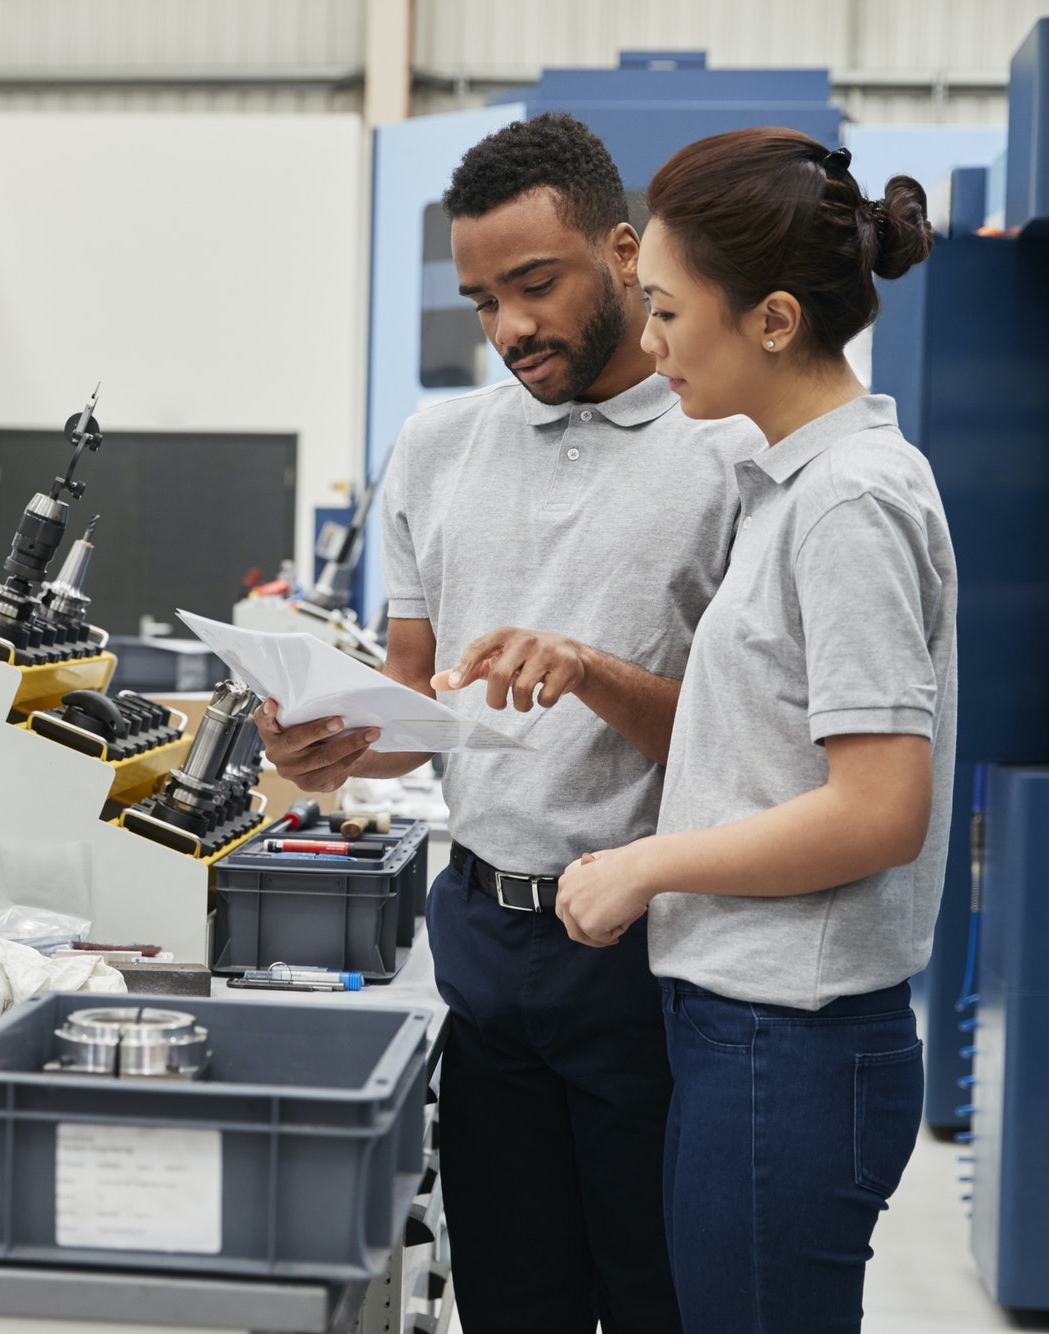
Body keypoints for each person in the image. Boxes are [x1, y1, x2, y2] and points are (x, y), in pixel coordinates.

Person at [256, 113, 759, 1332]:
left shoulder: (731, 450)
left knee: (660, 1296)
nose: (509, 328)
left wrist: (588, 669)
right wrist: (323, 742)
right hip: (480, 940)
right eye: (482, 300)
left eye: (534, 285)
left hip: (654, 948)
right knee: (508, 1295)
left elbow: (754, 745)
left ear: (625, 254)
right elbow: (415, 699)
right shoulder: (435, 447)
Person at [555, 131, 953, 1332]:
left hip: (794, 1042)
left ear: (773, 319)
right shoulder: (790, 486)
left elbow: (879, 809)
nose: (652, 343)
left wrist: (644, 861)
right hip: (749, 1029)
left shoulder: (850, 502)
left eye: (669, 312)